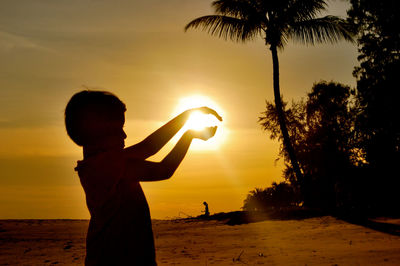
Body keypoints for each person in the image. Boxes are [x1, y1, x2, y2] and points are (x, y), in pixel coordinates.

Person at [64, 90, 222, 265]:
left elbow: (158, 161)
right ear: (97, 131)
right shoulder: (103, 167)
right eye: (118, 130)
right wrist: (187, 123)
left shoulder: (104, 165)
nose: (124, 136)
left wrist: (188, 130)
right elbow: (156, 157)